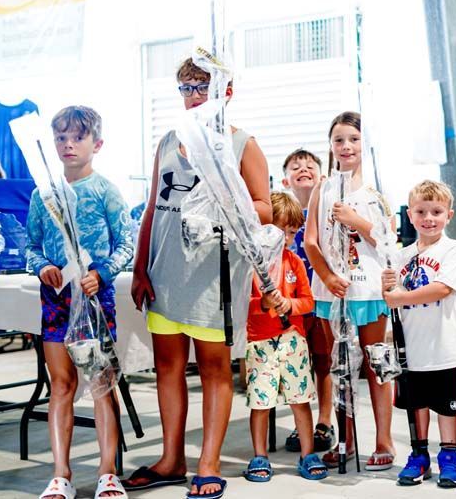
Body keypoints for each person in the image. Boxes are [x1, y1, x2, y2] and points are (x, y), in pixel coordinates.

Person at [123, 57, 272, 499]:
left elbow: (266, 209)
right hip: (166, 272)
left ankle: (208, 463)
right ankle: (172, 458)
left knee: (213, 369)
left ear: (225, 92)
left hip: (215, 276)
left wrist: (224, 202)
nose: (193, 97)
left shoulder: (242, 144)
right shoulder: (168, 141)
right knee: (168, 366)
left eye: (201, 87)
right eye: (186, 88)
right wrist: (140, 266)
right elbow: (153, 205)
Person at [26, 106, 133, 499]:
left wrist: (102, 272)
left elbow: (127, 241)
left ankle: (107, 472)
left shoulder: (106, 190)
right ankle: (61, 473)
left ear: (97, 143)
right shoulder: (43, 194)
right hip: (56, 299)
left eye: (78, 137)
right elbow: (31, 245)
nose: (68, 144)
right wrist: (42, 268)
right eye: (61, 138)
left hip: (95, 297)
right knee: (62, 385)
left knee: (102, 384)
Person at [304, 111, 395, 470]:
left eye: (353, 139)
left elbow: (390, 240)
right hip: (332, 292)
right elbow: (311, 241)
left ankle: (384, 438)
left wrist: (357, 222)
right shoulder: (322, 189)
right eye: (339, 140)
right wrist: (326, 276)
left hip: (369, 288)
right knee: (339, 364)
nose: (346, 147)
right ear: (330, 145)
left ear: (365, 143)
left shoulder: (375, 190)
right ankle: (347, 438)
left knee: (376, 365)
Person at [380, 180, 456, 488]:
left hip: (442, 347)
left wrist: (398, 296)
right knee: (415, 404)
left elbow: (442, 288)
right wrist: (387, 286)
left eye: (436, 211)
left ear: (449, 215)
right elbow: (392, 296)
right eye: (421, 211)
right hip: (411, 349)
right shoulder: (401, 256)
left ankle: (449, 456)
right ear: (411, 215)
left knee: (446, 405)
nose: (429, 218)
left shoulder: (452, 249)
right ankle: (419, 455)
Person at [243, 192, 327, 482]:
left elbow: (308, 301)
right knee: (260, 403)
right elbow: (245, 306)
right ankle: (259, 456)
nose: (288, 238)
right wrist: (263, 304)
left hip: (293, 342)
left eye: (292, 232)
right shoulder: (249, 265)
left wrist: (290, 305)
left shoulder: (295, 262)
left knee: (300, 400)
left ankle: (307, 454)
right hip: (260, 342)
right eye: (282, 231)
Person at [279, 149, 335, 453]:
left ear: (321, 176)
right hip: (291, 302)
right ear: (286, 179)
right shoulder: (280, 216)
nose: (303, 169)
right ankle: (301, 424)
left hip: (322, 297)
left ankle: (324, 421)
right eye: (295, 167)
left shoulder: (327, 213)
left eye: (310, 166)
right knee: (295, 364)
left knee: (324, 359)